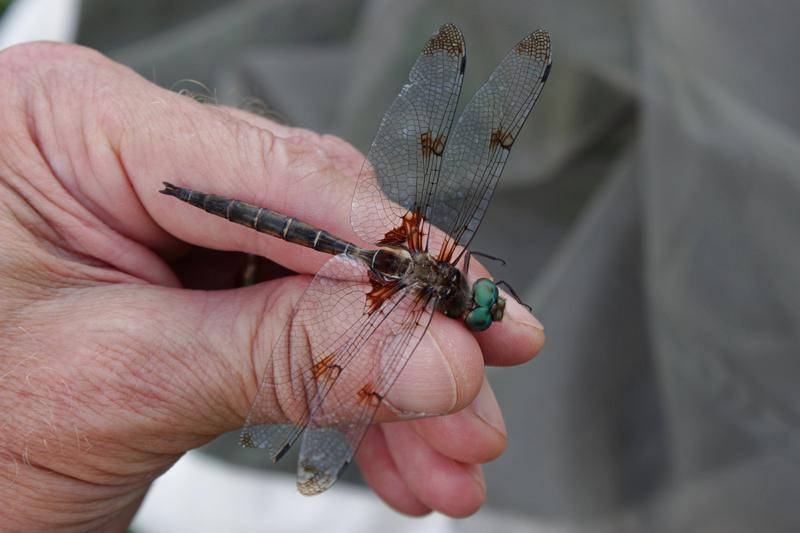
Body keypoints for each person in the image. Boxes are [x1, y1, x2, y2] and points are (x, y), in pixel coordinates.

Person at [0, 41, 544, 530]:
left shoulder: (437, 268)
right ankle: (190, 195)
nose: (486, 305)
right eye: (488, 304)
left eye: (484, 308)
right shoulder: (431, 301)